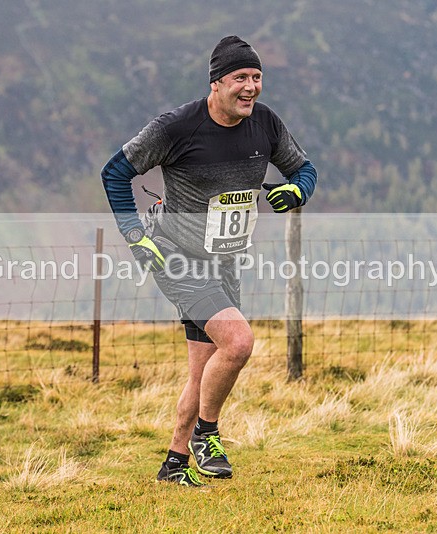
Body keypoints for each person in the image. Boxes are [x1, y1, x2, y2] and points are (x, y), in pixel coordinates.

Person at [101, 35, 317, 486]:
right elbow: (115, 172)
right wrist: (134, 235)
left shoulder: (266, 125)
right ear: (216, 84)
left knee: (204, 370)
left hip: (225, 259)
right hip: (175, 256)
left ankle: (174, 466)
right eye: (241, 77)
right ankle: (207, 433)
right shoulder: (176, 127)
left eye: (257, 78)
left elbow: (304, 168)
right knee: (237, 343)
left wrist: (297, 190)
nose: (251, 88)